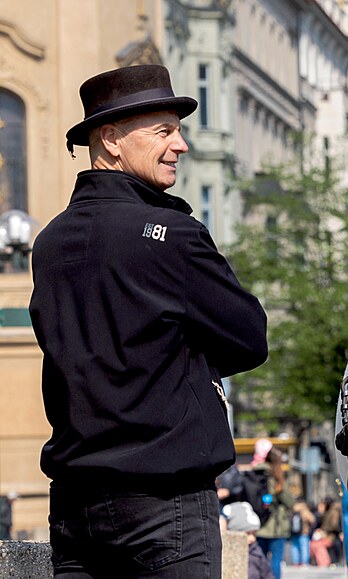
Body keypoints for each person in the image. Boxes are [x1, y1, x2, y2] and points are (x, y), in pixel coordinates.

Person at [29, 64, 268, 577]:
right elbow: (250, 339)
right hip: (164, 504)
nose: (180, 145)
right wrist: (190, 350)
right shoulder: (171, 234)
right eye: (164, 130)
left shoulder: (48, 243)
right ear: (112, 140)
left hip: (74, 507)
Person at [254, 444, 295, 579]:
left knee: (260, 559)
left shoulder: (256, 473)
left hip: (259, 524)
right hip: (276, 527)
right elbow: (289, 502)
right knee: (275, 561)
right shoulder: (277, 477)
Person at [223, 501, 274, 579]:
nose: (252, 538)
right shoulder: (227, 553)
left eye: (254, 534)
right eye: (247, 534)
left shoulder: (256, 552)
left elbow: (267, 573)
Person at [288, 498, 316, 566]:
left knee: (294, 547)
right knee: (304, 547)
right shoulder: (304, 510)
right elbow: (312, 520)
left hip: (293, 532)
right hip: (303, 532)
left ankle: (295, 562)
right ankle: (304, 562)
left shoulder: (292, 510)